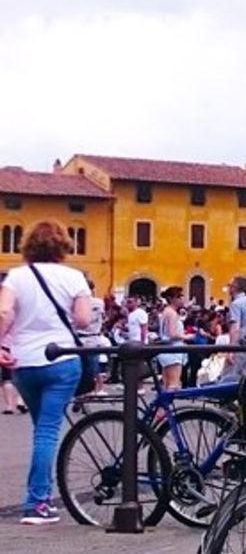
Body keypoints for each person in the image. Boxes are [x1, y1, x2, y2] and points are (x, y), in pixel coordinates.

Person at [0, 221, 92, 524]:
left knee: (42, 429)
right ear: (63, 244)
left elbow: (3, 312)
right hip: (61, 359)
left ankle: (41, 496)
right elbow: (82, 320)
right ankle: (37, 503)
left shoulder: (16, 276)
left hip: (24, 363)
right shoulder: (74, 276)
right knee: (48, 430)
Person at [223, 277, 246, 382]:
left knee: (229, 376)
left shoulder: (236, 304)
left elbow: (235, 328)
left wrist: (231, 350)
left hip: (240, 344)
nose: (228, 288)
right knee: (243, 376)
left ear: (235, 288)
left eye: (229, 286)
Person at [155, 286, 188, 391]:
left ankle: (161, 407)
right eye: (180, 297)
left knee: (166, 385)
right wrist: (187, 337)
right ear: (173, 298)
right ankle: (164, 407)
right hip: (174, 351)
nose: (182, 299)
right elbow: (172, 334)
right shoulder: (172, 313)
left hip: (166, 350)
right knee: (173, 385)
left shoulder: (166, 311)